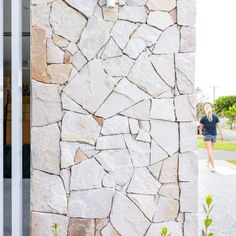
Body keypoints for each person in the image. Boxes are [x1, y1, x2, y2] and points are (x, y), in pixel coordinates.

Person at [199, 104, 224, 172]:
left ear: (205, 109)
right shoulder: (215, 117)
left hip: (207, 135)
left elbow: (200, 128)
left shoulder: (203, 118)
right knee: (211, 150)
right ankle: (208, 162)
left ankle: (212, 166)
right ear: (211, 108)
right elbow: (219, 128)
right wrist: (222, 136)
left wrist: (201, 132)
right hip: (214, 135)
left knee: (209, 151)